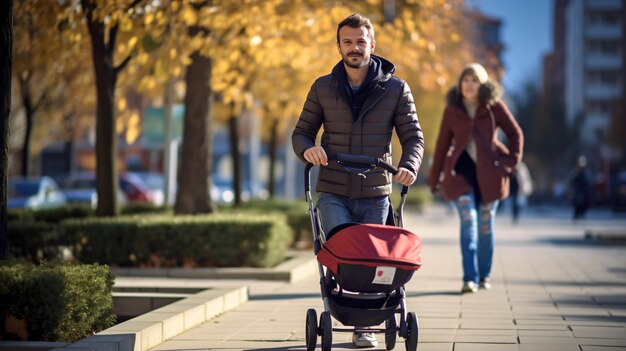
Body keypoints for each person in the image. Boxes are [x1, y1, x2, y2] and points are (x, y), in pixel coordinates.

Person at [292, 13, 424, 348]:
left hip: (375, 191)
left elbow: (413, 138)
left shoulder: (396, 89)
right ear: (339, 46)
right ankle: (346, 313)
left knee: (371, 262)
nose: (354, 48)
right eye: (348, 42)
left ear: (372, 45)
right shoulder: (323, 87)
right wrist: (309, 150)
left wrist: (409, 165)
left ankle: (365, 326)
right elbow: (301, 134)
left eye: (360, 42)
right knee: (344, 255)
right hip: (333, 190)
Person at [428, 63, 523, 294]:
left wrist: (510, 164)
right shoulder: (452, 110)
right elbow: (441, 145)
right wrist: (434, 178)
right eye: (465, 80)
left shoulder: (494, 107)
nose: (469, 85)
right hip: (461, 176)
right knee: (469, 220)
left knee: (485, 226)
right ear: (460, 84)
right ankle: (469, 278)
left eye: (474, 81)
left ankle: (484, 276)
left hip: (491, 176)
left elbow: (515, 133)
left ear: (483, 86)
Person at [568, 156, 591, 220]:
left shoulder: (585, 173)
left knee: (585, 203)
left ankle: (581, 213)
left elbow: (587, 183)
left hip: (584, 193)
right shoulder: (575, 173)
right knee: (577, 203)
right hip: (577, 193)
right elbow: (571, 182)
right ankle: (577, 214)